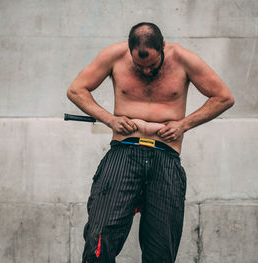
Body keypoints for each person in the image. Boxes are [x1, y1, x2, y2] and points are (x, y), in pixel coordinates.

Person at [67, 22, 234, 263]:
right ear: (130, 49)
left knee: (161, 250)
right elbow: (76, 90)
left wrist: (183, 124)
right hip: (124, 154)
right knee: (99, 238)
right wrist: (110, 120)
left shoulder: (184, 59)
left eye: (153, 65)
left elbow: (223, 97)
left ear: (163, 46)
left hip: (165, 158)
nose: (146, 72)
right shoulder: (115, 56)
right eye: (139, 66)